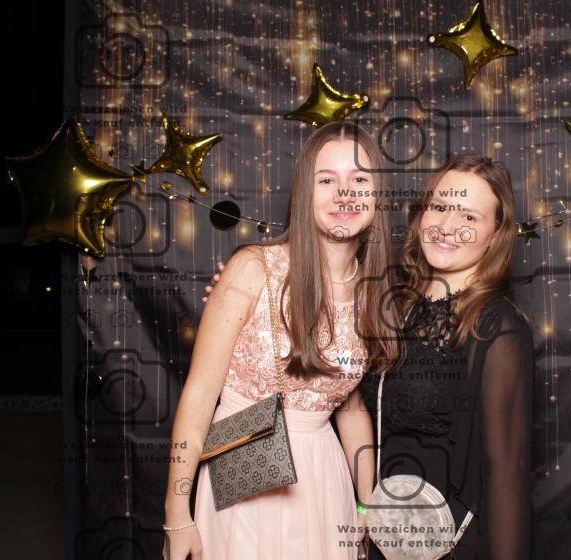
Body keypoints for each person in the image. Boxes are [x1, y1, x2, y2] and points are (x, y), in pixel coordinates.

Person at [163, 121, 402, 560]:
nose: (344, 194)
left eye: (359, 181)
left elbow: (348, 404)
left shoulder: (374, 292)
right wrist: (176, 513)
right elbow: (198, 395)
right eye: (326, 180)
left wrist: (366, 502)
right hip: (244, 470)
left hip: (324, 478)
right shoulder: (253, 269)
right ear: (305, 193)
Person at [359, 155, 534, 559]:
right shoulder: (395, 306)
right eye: (439, 207)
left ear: (495, 234)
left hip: (452, 545)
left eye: (469, 217)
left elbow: (507, 473)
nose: (448, 226)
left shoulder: (497, 328)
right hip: (387, 538)